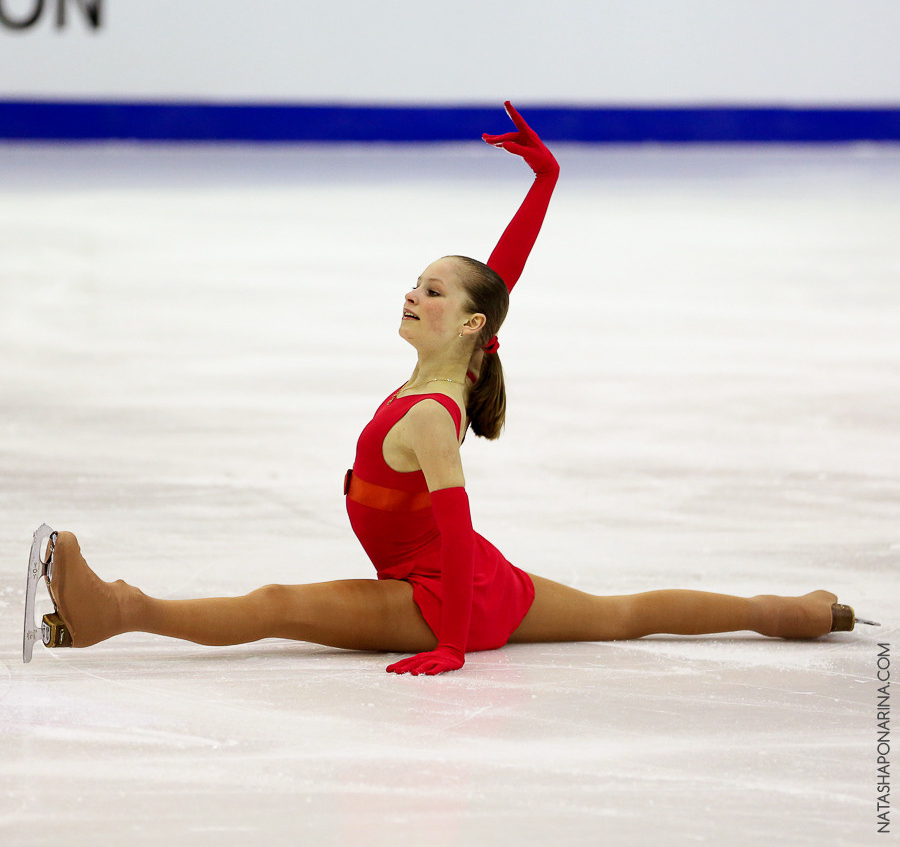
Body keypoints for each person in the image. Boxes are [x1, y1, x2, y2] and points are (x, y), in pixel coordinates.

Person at [32, 103, 863, 676]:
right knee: (622, 612)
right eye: (415, 281)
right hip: (476, 587)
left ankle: (120, 610)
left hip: (439, 600)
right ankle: (792, 612)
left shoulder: (433, 413)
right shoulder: (460, 366)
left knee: (278, 604)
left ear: (466, 326)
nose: (414, 294)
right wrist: (544, 183)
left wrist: (454, 643)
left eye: (433, 291)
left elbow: (457, 531)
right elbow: (501, 280)